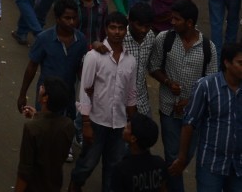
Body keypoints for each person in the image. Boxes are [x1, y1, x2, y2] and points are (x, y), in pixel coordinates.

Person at [148, 0, 218, 192]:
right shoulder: (165, 39)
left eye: (176, 19)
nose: (172, 22)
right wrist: (168, 82)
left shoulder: (207, 47)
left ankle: (164, 182)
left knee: (185, 157)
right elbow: (153, 66)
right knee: (173, 156)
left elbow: (211, 82)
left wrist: (190, 102)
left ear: (189, 23)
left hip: (194, 114)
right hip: (169, 108)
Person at [69, 11, 137, 192]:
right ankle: (74, 186)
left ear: (125, 31)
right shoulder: (94, 56)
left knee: (114, 168)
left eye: (121, 28)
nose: (117, 32)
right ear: (106, 29)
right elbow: (84, 90)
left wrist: (132, 122)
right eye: (113, 27)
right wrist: (85, 123)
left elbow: (131, 94)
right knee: (87, 164)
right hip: (96, 121)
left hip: (119, 124)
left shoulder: (130, 60)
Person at [172, 41, 242, 192]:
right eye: (240, 63)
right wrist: (182, 157)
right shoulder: (206, 86)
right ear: (227, 63)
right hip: (211, 164)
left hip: (238, 166)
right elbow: (189, 123)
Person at [14, 75, 76, 192]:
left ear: (45, 98)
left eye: (43, 88)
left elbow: (25, 170)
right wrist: (37, 115)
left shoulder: (31, 128)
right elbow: (50, 126)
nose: (40, 87)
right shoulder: (68, 125)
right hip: (54, 184)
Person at [109, 113, 168, 192]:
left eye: (127, 127)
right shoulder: (160, 163)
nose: (125, 127)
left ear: (133, 138)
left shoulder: (121, 169)